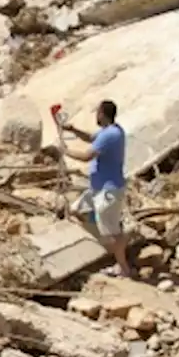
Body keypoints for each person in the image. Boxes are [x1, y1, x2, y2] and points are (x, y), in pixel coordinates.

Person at [61, 100, 130, 278]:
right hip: (97, 189)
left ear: (101, 114)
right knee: (76, 210)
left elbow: (87, 156)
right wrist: (73, 130)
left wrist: (65, 152)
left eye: (97, 113)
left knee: (113, 232)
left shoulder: (110, 135)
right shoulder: (111, 131)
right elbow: (92, 138)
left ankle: (123, 267)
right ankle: (106, 238)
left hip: (108, 191)